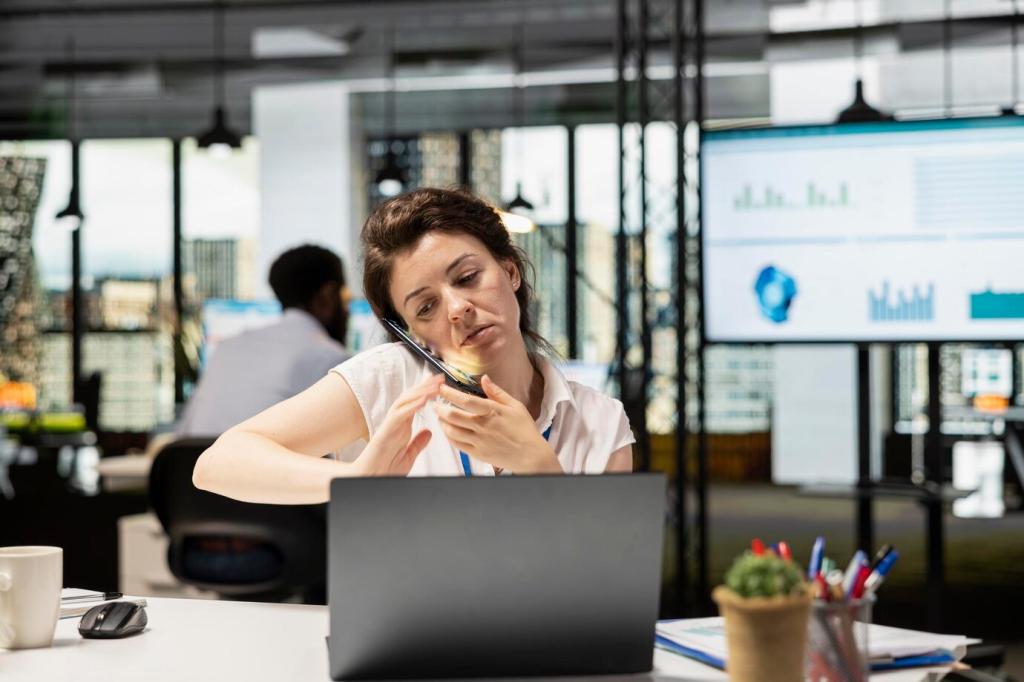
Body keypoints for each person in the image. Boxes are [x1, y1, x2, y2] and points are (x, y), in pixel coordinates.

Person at [192, 188, 634, 505]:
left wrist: (539, 467)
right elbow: (218, 463)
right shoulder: (390, 379)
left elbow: (609, 582)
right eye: (425, 307)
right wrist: (357, 478)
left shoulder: (600, 420)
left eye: (468, 278)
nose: (457, 309)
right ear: (410, 333)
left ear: (510, 271)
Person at [176, 244, 352, 438]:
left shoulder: (226, 348)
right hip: (267, 459)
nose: (347, 310)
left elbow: (183, 437)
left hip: (195, 458)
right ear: (327, 295)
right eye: (346, 298)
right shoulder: (332, 359)